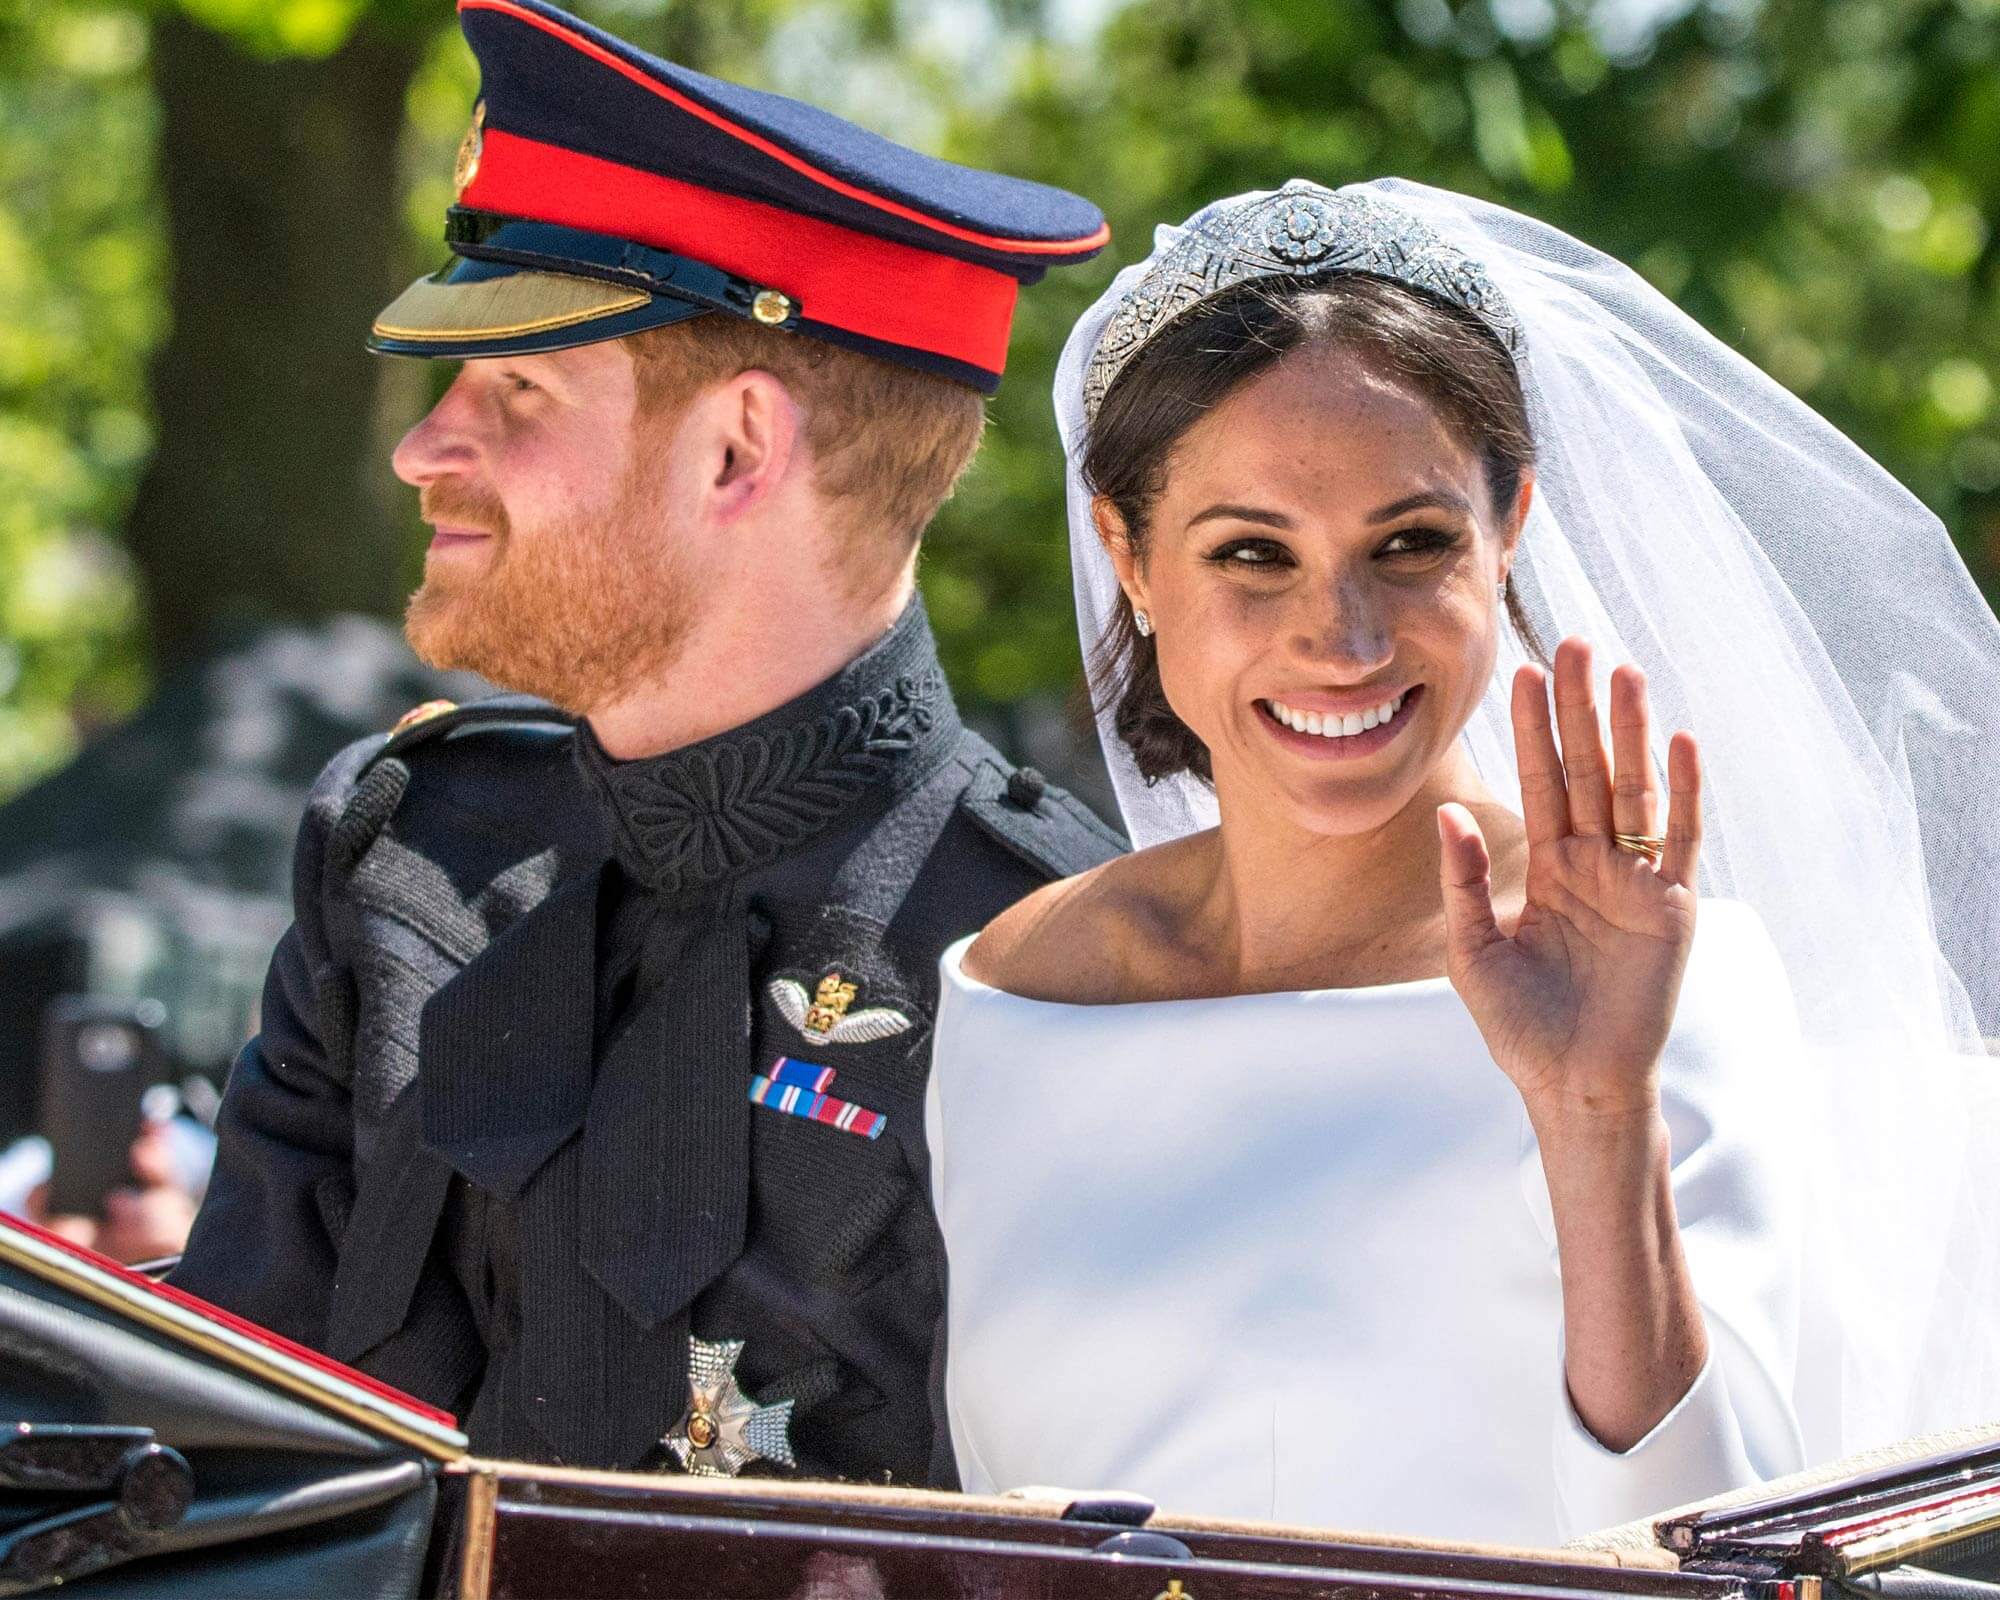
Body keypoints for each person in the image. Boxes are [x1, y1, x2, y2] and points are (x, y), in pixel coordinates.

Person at [926, 180, 2000, 1543]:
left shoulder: (1662, 976)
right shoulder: (1017, 994)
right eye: (1254, 553)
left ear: (1510, 532)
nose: (1347, 639)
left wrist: (1594, 1113)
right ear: (1127, 554)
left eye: (1412, 543)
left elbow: (1717, 1543)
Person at [168, 0, 1123, 1482]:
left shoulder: (1059, 950)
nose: (425, 446)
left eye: (516, 390)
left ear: (739, 449)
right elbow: (212, 1456)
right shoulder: (406, 850)